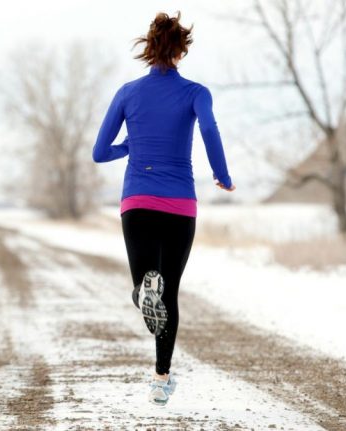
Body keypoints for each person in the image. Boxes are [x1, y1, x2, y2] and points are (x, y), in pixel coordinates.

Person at [92, 11, 235, 406]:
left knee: (147, 287)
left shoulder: (127, 93)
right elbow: (209, 129)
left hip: (137, 201)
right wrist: (222, 174)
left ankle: (141, 292)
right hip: (180, 204)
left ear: (149, 48)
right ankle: (161, 378)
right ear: (181, 51)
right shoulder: (196, 93)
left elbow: (99, 152)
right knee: (168, 292)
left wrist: (130, 147)